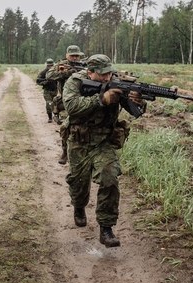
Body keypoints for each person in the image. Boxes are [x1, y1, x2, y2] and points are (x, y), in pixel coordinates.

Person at [62, 54, 146, 247]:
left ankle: (106, 228)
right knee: (79, 183)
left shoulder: (117, 83)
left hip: (104, 143)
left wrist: (138, 101)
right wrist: (101, 99)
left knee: (110, 178)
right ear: (90, 72)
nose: (107, 78)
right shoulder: (74, 82)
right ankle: (79, 206)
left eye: (109, 73)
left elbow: (136, 112)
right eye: (102, 75)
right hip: (79, 143)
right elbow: (72, 107)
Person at [46, 45, 86, 164]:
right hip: (65, 102)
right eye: (72, 55)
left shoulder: (84, 65)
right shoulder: (61, 65)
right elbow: (49, 76)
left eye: (77, 56)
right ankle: (64, 151)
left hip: (83, 100)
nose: (75, 58)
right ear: (67, 55)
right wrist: (66, 73)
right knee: (65, 127)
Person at [35, 58, 58, 123]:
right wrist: (44, 82)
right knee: (49, 104)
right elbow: (38, 80)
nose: (50, 67)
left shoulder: (56, 71)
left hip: (56, 90)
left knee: (57, 104)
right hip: (47, 91)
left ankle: (57, 117)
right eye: (49, 65)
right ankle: (50, 118)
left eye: (51, 65)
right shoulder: (43, 72)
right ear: (46, 65)